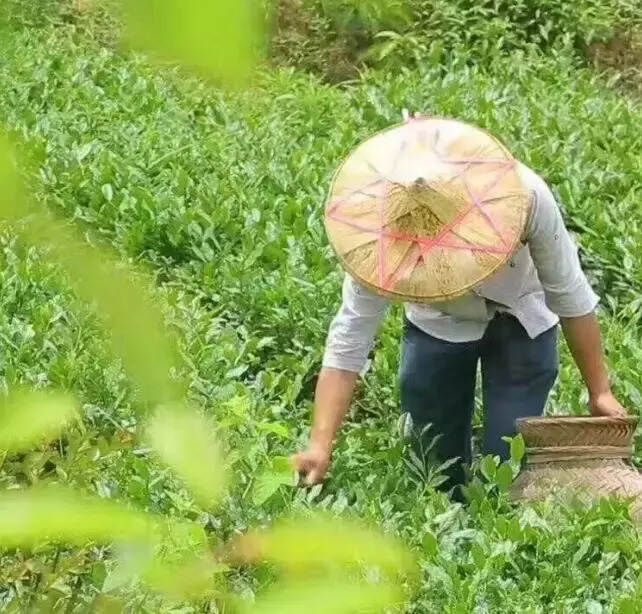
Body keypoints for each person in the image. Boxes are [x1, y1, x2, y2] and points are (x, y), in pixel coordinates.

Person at [292, 113, 627, 501]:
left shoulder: (525, 195)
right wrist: (320, 444)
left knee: (508, 465)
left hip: (523, 313)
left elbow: (570, 296)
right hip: (438, 321)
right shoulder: (377, 235)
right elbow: (350, 337)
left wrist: (599, 389)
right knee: (434, 467)